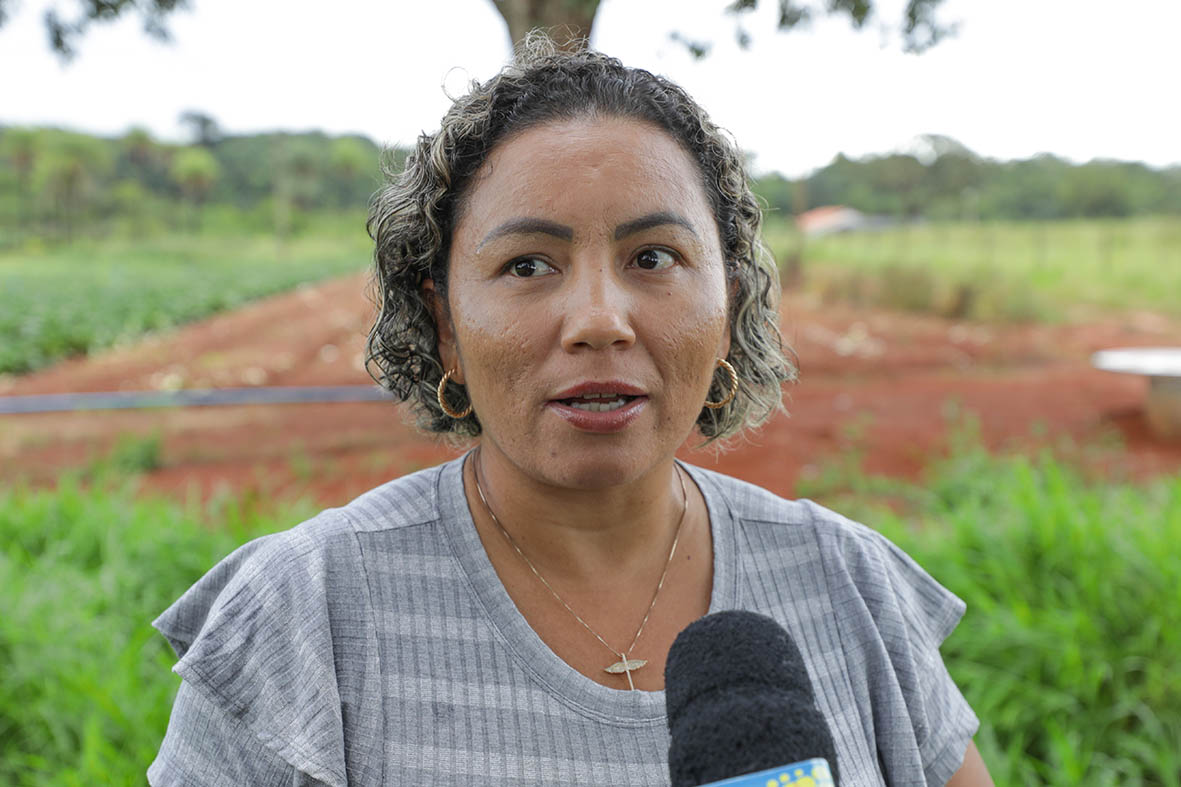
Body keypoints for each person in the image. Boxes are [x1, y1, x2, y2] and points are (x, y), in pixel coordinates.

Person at [149, 34, 993, 786]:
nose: (598, 320)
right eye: (527, 265)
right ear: (444, 326)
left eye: (652, 257)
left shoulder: (848, 583)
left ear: (728, 304)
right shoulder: (307, 612)